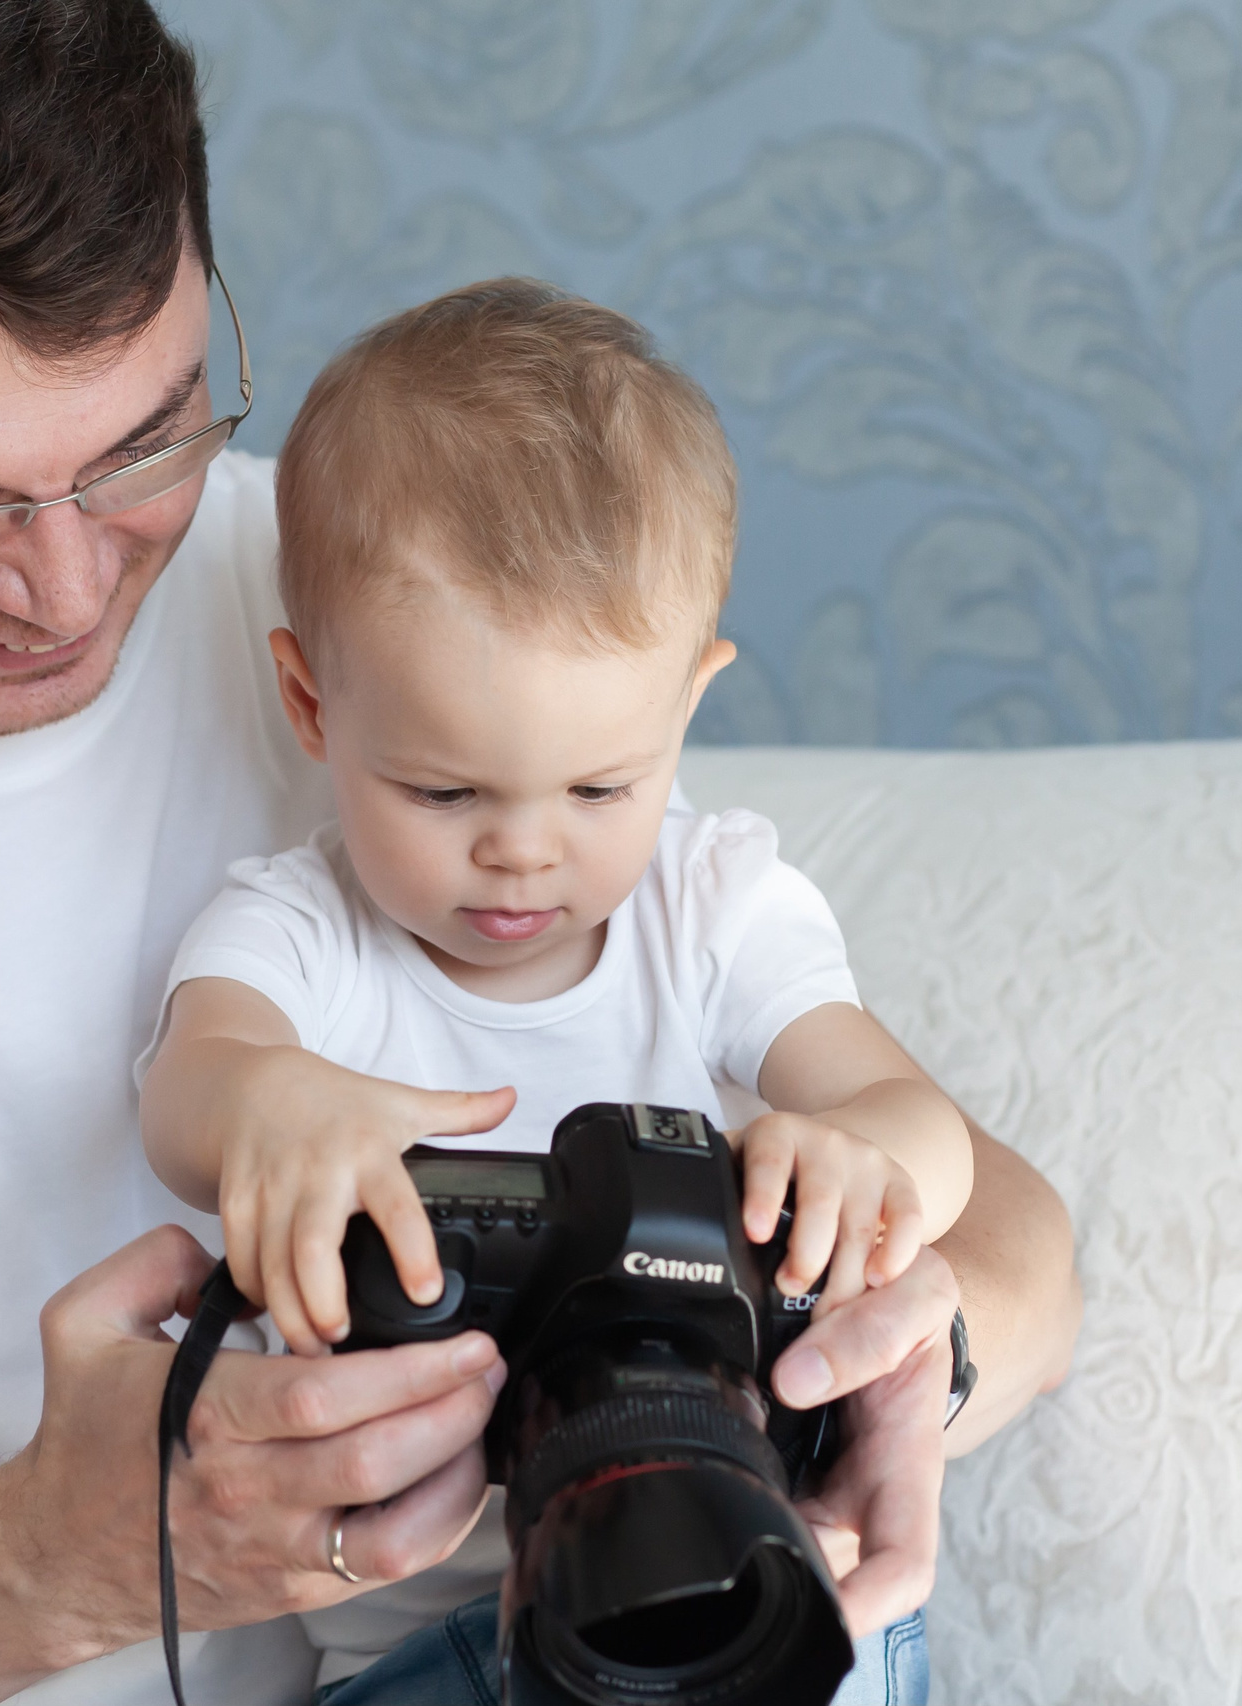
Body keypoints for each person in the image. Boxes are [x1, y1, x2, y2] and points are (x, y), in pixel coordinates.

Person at [0, 3, 1082, 1701]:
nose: (65, 587)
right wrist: (45, 1558)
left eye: (144, 435)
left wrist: (865, 1384)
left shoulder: (370, 597)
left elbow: (998, 1233)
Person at [138, 281, 979, 1704]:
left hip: (744, 1585)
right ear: (311, 706)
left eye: (601, 785)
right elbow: (190, 1087)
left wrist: (864, 1157)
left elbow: (919, 1120)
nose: (522, 845)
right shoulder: (299, 933)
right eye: (442, 786)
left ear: (688, 703)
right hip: (428, 1648)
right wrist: (269, 1105)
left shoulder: (713, 909)